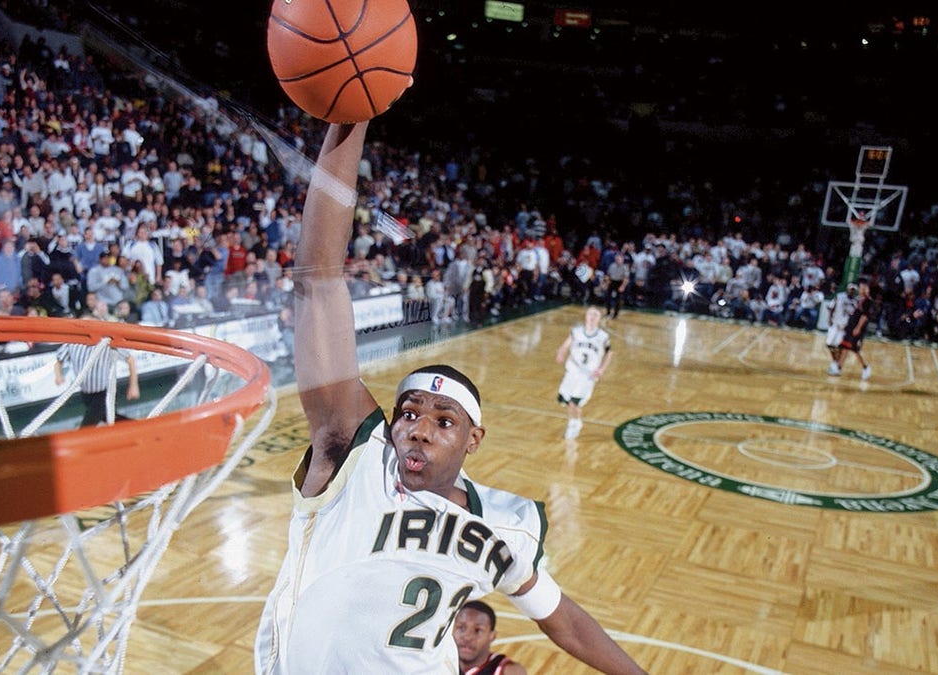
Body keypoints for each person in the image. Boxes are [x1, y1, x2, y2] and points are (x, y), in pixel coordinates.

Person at [254, 122, 647, 675]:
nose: (418, 428)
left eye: (444, 421)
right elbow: (317, 282)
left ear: (473, 439)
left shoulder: (506, 525)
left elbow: (564, 621)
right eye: (408, 413)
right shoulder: (354, 460)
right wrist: (351, 117)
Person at [53, 323, 141, 427]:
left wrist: (134, 385)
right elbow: (59, 361)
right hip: (86, 393)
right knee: (110, 418)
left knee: (87, 427)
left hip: (104, 393)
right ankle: (138, 427)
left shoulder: (106, 343)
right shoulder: (72, 343)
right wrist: (58, 375)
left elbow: (130, 359)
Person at [555, 306, 612, 440]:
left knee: (575, 401)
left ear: (599, 319)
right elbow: (565, 345)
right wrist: (561, 353)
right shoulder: (576, 332)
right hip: (572, 370)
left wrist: (602, 369)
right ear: (585, 316)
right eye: (590, 314)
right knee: (566, 399)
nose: (592, 317)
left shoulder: (603, 336)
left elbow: (609, 352)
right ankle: (574, 421)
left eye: (596, 315)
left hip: (588, 374)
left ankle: (574, 424)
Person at [453, 600, 528, 675]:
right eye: (461, 628)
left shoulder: (509, 671)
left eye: (478, 630)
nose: (467, 637)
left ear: (492, 636)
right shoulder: (443, 661)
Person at [833, 279, 874, 380]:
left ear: (866, 289)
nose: (860, 290)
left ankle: (865, 367)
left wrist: (858, 328)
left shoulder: (868, 301)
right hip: (851, 327)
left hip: (857, 329)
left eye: (861, 288)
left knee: (855, 350)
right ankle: (838, 368)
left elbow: (864, 316)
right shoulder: (859, 299)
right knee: (845, 347)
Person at [824, 282, 857, 376]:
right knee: (829, 344)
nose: (852, 292)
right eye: (851, 289)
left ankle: (836, 366)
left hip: (845, 327)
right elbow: (831, 307)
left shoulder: (856, 302)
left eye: (853, 290)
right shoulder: (839, 296)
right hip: (835, 324)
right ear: (848, 289)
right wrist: (830, 319)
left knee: (839, 346)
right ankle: (834, 362)